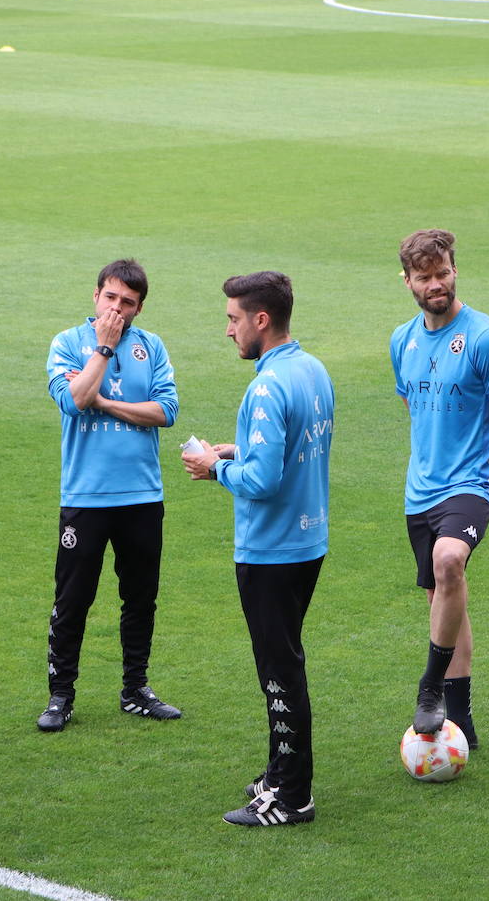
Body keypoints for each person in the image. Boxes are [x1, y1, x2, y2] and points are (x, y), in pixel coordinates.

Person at [182, 271, 333, 827]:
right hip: (307, 539)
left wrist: (216, 466)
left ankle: (293, 796)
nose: (228, 330)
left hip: (271, 550)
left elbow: (263, 481)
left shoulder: (266, 386)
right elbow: (291, 450)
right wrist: (239, 448)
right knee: (285, 660)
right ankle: (278, 773)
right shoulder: (312, 370)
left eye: (232, 318)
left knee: (279, 670)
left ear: (260, 320)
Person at [389, 229, 489, 746]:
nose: (436, 284)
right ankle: (462, 721)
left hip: (472, 483)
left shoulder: (486, 339)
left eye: (443, 273)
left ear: (455, 270)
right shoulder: (401, 340)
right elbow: (416, 410)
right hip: (420, 490)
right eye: (423, 277)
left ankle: (431, 688)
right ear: (407, 281)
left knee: (451, 561)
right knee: (444, 597)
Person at [38, 259, 182, 732]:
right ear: (95, 295)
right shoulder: (67, 343)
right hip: (86, 497)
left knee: (140, 597)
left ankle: (135, 688)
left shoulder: (152, 347)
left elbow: (165, 411)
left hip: (142, 496)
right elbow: (74, 399)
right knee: (73, 598)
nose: (117, 308)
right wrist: (103, 347)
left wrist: (105, 402)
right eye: (111, 297)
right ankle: (61, 696)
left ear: (141, 307)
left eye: (128, 302)